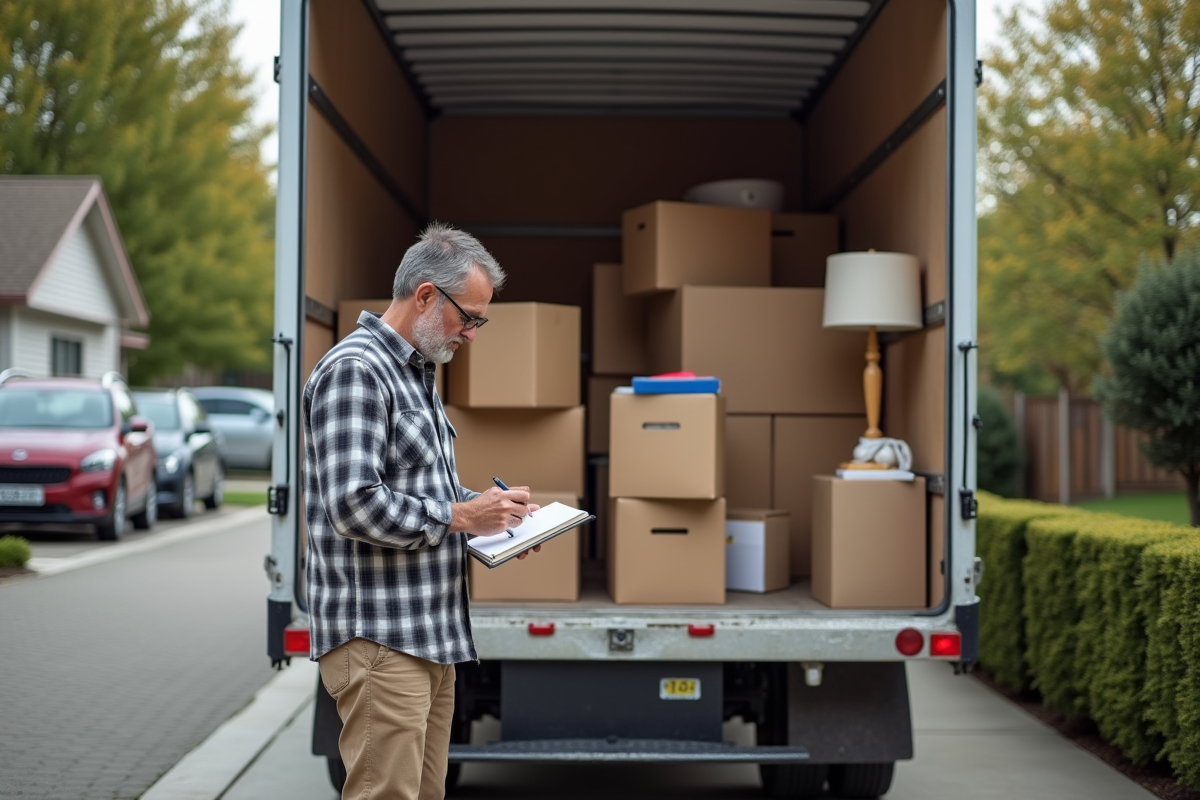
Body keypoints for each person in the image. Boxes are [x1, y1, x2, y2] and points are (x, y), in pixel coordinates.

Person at [303, 222, 539, 800]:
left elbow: (422, 499)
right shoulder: (357, 371)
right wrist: (463, 517)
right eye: (470, 317)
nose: (473, 334)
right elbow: (354, 504)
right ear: (427, 295)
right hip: (382, 641)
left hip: (428, 636)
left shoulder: (416, 374)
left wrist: (495, 524)